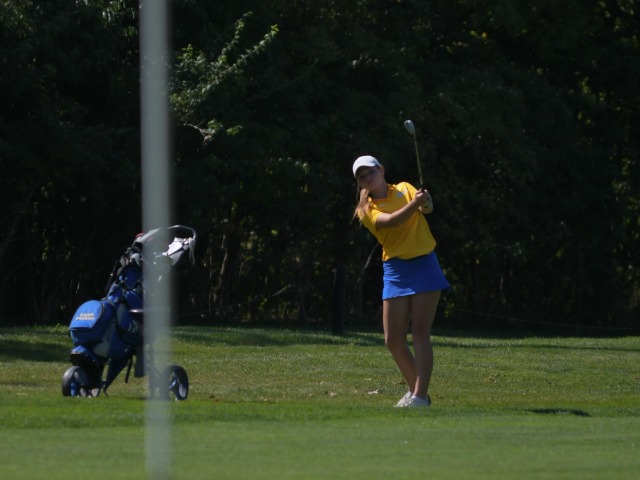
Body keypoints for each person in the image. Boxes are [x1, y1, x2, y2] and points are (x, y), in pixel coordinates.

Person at [352, 155, 449, 408]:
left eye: (370, 171)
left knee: (420, 333)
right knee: (393, 339)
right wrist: (415, 204)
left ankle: (419, 397)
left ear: (381, 170)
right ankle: (419, 394)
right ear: (359, 183)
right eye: (361, 176)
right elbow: (392, 222)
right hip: (395, 269)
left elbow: (426, 209)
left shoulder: (405, 188)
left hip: (424, 263)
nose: (367, 177)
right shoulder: (365, 209)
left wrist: (425, 202)